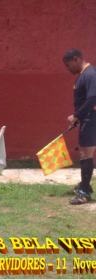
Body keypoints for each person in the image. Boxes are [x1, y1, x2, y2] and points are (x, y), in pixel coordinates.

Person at [63, 49, 96, 205]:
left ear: (75, 59)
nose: (67, 69)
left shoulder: (90, 74)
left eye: (68, 65)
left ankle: (84, 194)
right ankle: (85, 186)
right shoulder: (84, 74)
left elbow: (92, 98)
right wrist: (79, 118)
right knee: (83, 151)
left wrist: (77, 115)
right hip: (87, 119)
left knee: (86, 154)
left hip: (92, 119)